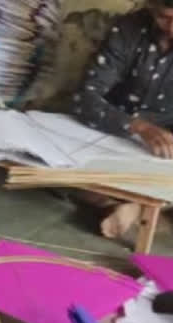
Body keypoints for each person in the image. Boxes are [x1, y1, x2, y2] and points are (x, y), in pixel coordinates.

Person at [72, 0, 173, 237]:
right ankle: (141, 206)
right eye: (164, 18)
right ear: (151, 9)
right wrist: (136, 126)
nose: (171, 28)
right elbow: (87, 96)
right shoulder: (130, 29)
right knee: (62, 171)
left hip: (166, 142)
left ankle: (133, 207)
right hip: (115, 127)